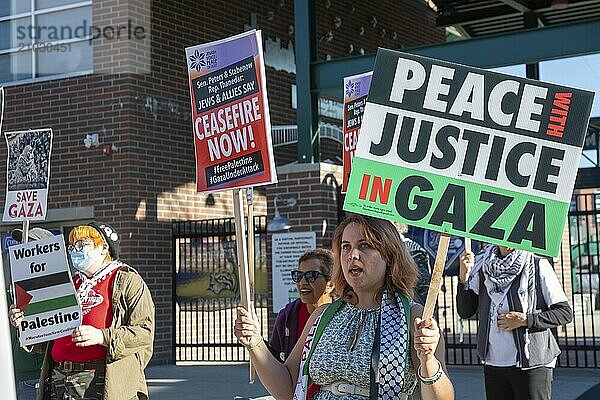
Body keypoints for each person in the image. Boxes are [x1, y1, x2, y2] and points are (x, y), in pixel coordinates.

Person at [235, 214, 454, 400]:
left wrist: (427, 360)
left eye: (365, 245)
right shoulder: (324, 315)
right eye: (346, 247)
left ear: (389, 255)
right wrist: (255, 342)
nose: (353, 255)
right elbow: (287, 388)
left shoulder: (413, 317)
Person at [8, 222, 155, 400]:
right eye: (72, 246)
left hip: (98, 380)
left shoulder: (126, 280)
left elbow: (144, 333)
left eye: (82, 244)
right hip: (59, 380)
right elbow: (47, 338)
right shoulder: (70, 284)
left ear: (103, 248)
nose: (75, 250)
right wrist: (27, 324)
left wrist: (102, 336)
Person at [457, 244, 573, 400]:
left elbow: (564, 313)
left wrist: (525, 320)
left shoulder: (537, 264)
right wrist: (463, 279)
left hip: (531, 364)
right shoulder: (482, 266)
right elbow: (465, 311)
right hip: (494, 363)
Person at [7, 228, 55, 400]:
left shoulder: (58, 286)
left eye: (30, 245)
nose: (23, 249)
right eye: (21, 244)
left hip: (41, 374)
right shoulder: (11, 288)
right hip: (15, 375)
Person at [268, 249, 335, 363]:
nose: (302, 282)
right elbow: (273, 359)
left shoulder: (343, 315)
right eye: (299, 275)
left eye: (311, 275)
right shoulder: (286, 317)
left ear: (331, 284)